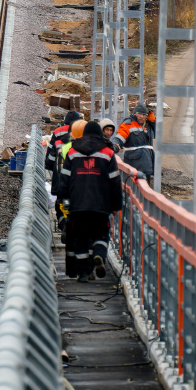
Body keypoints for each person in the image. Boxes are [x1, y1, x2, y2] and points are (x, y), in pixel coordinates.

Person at [59, 119, 123, 280]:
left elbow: (64, 178)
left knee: (80, 237)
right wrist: (116, 205)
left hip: (77, 202)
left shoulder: (73, 152)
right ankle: (99, 255)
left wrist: (64, 199)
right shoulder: (108, 153)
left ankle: (84, 273)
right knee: (101, 233)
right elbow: (115, 181)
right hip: (101, 203)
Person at [115, 103, 155, 180]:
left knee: (144, 188)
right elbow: (120, 137)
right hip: (134, 165)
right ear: (134, 113)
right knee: (135, 188)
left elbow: (157, 129)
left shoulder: (144, 126)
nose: (141, 116)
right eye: (139, 113)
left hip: (145, 166)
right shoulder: (128, 125)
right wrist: (115, 145)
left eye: (144, 114)